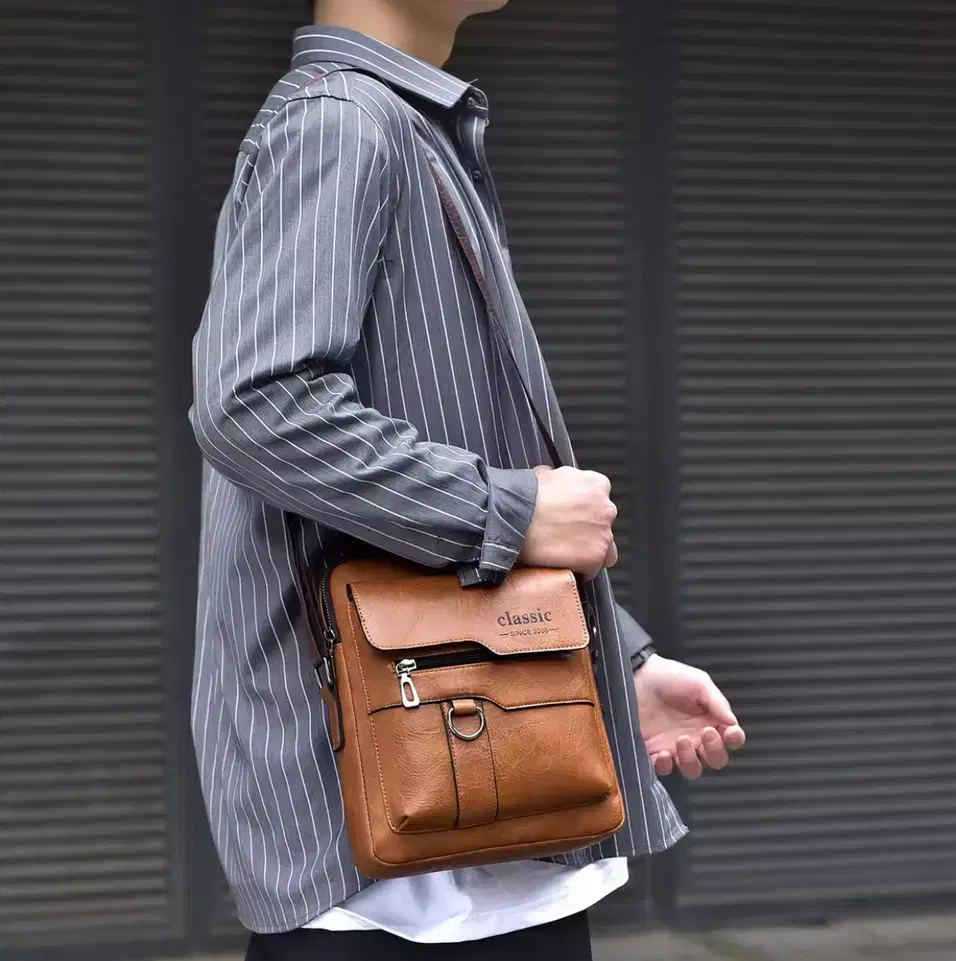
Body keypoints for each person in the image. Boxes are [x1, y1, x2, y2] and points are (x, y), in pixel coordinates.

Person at [189, 1, 746, 958]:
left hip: (477, 800)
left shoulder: (406, 128)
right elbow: (257, 404)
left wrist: (616, 659)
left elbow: (441, 434)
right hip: (382, 843)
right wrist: (513, 510)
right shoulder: (338, 123)